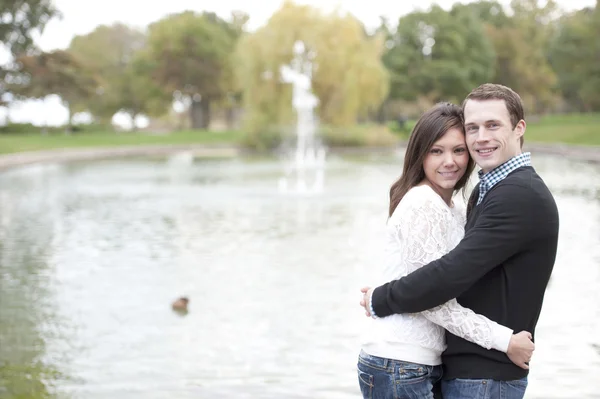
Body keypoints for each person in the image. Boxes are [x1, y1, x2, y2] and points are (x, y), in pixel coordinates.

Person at [360, 84, 559, 399]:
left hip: (482, 372)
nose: (481, 137)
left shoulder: (515, 195)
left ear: (519, 128)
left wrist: (381, 297)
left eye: (492, 125)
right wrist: (504, 339)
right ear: (420, 154)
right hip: (414, 360)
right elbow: (446, 280)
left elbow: (448, 276)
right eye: (473, 129)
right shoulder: (475, 193)